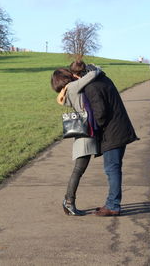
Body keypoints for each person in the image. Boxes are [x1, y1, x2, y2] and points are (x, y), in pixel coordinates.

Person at [70, 60, 139, 216]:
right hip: (120, 128)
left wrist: (91, 126)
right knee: (114, 168)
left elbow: (100, 114)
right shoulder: (103, 78)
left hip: (113, 133)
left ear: (78, 76)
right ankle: (112, 203)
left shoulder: (91, 87)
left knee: (112, 169)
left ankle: (113, 205)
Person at [51, 66, 101, 216]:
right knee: (78, 170)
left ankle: (69, 201)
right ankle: (69, 202)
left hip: (83, 132)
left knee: (78, 170)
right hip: (85, 134)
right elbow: (94, 73)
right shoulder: (73, 87)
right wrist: (93, 68)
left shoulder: (68, 90)